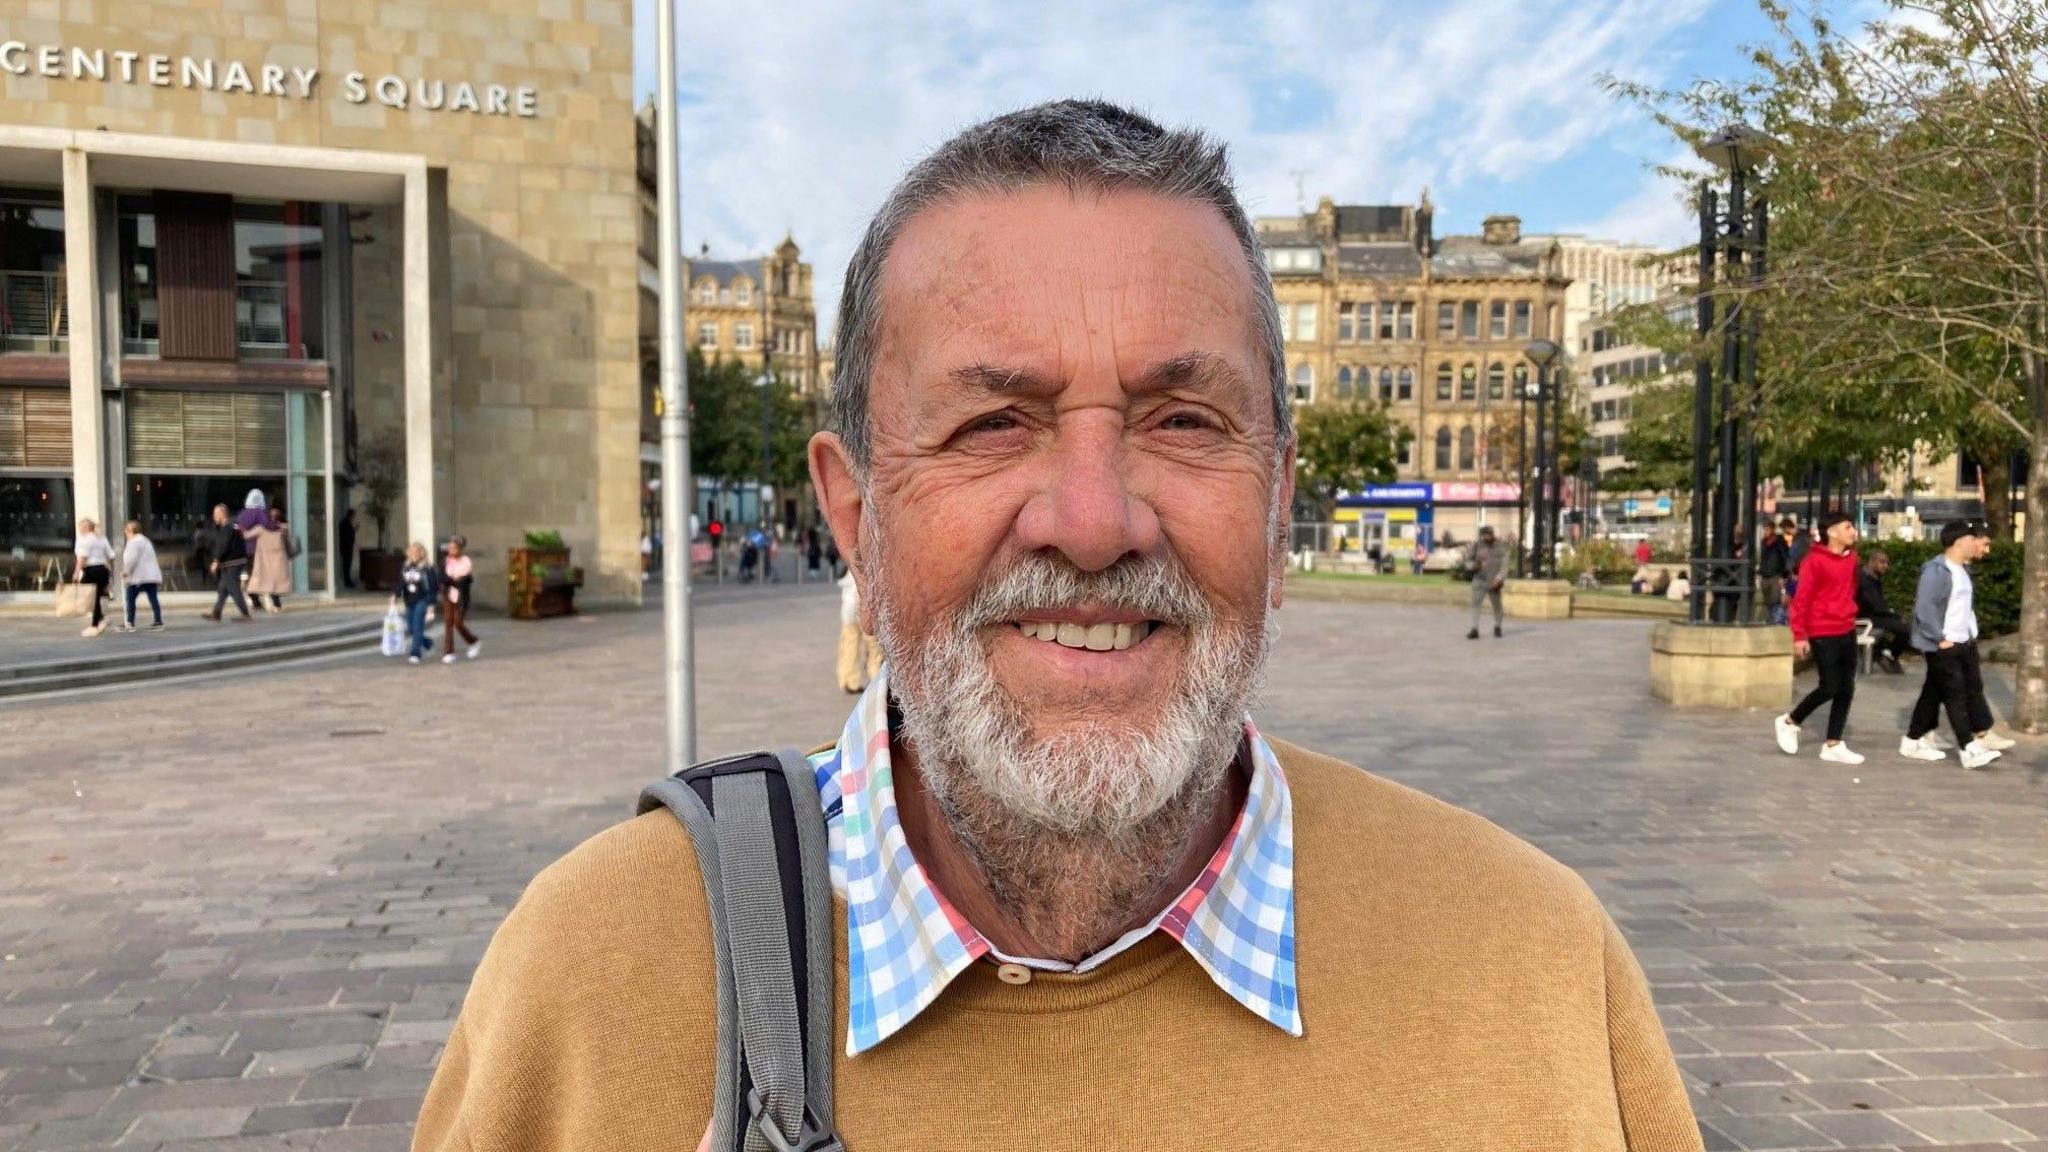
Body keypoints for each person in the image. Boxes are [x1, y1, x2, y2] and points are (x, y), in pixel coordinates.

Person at [415, 101, 1700, 1152]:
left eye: (1185, 421)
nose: (1093, 524)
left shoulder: (1534, 965)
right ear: (852, 513)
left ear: (1276, 501)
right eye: (992, 424)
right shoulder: (586, 987)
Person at [1899, 519, 2016, 768]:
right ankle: (1968, 747)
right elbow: (1924, 609)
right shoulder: (1935, 571)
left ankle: (1912, 739)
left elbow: (1963, 608)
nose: (1978, 546)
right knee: (1955, 694)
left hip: (1963, 642)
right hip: (1944, 644)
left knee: (1934, 692)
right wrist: (1940, 639)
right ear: (1960, 542)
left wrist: (1970, 635)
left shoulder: (1963, 570)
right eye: (1973, 540)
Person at [1774, 511, 1865, 764]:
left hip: (1846, 628)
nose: (1853, 532)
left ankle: (1833, 743)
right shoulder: (1814, 561)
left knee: (1847, 687)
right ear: (1832, 532)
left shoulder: (1852, 559)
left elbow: (1850, 591)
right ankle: (1790, 720)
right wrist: (1799, 636)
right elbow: (1801, 600)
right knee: (1830, 686)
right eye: (1848, 527)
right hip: (1822, 631)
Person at [1856, 550, 1907, 674]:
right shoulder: (1864, 579)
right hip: (1865, 617)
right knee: (1905, 629)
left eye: (1887, 563)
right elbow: (1875, 606)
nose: (1886, 566)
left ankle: (1885, 653)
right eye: (1882, 562)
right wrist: (1895, 615)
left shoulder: (1873, 577)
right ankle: (1888, 654)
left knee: (1903, 626)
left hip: (1872, 615)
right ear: (1871, 562)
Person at [199, 504, 252, 622]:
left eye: (215, 514)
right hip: (237, 560)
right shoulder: (234, 525)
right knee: (223, 589)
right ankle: (216, 613)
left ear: (221, 514)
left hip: (231, 562)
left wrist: (216, 561)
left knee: (233, 588)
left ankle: (246, 614)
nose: (214, 517)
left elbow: (223, 546)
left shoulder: (227, 528)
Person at [438, 534, 481, 664]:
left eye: (454, 548)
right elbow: (442, 578)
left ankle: (473, 641)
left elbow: (461, 580)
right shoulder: (445, 561)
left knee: (458, 622)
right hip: (448, 595)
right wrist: (450, 580)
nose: (451, 550)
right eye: (450, 548)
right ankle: (449, 652)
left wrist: (451, 580)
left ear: (460, 549)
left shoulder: (466, 561)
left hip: (461, 597)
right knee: (448, 622)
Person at [244, 505, 292, 613]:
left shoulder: (260, 528)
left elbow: (246, 535)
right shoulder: (283, 528)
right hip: (279, 559)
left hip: (264, 559)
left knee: (264, 580)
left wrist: (242, 525)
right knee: (275, 583)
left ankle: (260, 599)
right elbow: (287, 541)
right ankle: (276, 604)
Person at [396, 542, 439, 665]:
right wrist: (396, 594)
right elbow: (401, 583)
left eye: (416, 552)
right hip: (409, 600)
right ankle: (427, 643)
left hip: (423, 599)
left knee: (417, 625)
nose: (413, 554)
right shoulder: (406, 567)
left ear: (421, 553)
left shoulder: (428, 568)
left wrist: (431, 604)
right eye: (411, 552)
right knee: (410, 628)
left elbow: (433, 587)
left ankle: (415, 653)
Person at [117, 520, 163, 632]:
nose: (125, 533)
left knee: (130, 598)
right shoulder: (146, 541)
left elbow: (131, 559)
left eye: (126, 530)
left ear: (131, 530)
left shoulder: (134, 542)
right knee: (153, 598)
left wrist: (126, 571)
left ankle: (130, 621)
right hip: (150, 576)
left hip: (139, 577)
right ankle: (158, 621)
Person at [71, 517, 115, 637]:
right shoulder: (101, 539)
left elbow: (82, 557)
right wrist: (110, 568)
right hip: (102, 569)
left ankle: (95, 624)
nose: (79, 530)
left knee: (91, 598)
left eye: (80, 527)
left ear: (85, 528)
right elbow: (111, 555)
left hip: (91, 570)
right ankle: (100, 618)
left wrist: (76, 572)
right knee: (97, 596)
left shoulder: (84, 540)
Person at [1464, 524, 1506, 640]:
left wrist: (1499, 579)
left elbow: (1504, 565)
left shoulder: (1500, 546)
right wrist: (1472, 566)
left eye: (1489, 535)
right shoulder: (1477, 545)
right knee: (1475, 604)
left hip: (1494, 581)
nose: (1486, 538)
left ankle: (1497, 626)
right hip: (1479, 579)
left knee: (1497, 606)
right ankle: (1474, 629)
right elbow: (1468, 560)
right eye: (1484, 536)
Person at [1758, 518, 1794, 625]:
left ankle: (1777, 620)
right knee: (1768, 599)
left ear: (1772, 529)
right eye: (1765, 529)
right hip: (1765, 575)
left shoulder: (1779, 541)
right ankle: (1773, 618)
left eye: (1767, 529)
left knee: (1776, 599)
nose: (1766, 531)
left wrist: (1784, 575)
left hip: (1776, 575)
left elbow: (1785, 557)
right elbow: (1763, 558)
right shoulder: (1764, 542)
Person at [339, 507, 359, 588]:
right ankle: (347, 581)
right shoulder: (345, 523)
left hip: (347, 546)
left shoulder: (347, 523)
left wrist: (354, 530)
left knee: (347, 564)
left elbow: (349, 533)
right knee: (346, 564)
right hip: (346, 547)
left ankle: (348, 580)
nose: (354, 517)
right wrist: (353, 531)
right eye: (353, 515)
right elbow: (346, 535)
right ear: (350, 515)